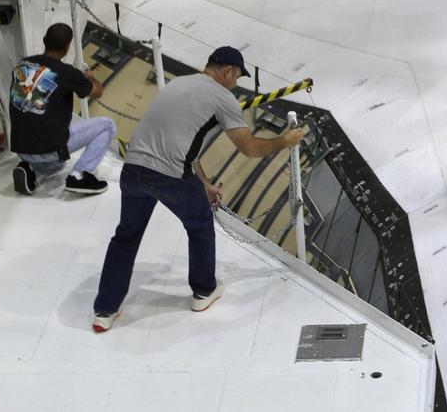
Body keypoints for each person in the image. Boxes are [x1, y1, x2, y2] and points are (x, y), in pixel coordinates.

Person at [91, 46, 307, 332]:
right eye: (237, 77)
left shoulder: (179, 82)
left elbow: (182, 141)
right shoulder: (222, 97)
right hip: (169, 176)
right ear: (228, 71)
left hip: (133, 169)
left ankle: (104, 311)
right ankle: (204, 291)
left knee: (126, 237)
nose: (235, 83)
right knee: (200, 225)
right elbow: (250, 148)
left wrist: (203, 184)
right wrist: (285, 140)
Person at [9, 23, 116, 197]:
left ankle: (29, 168)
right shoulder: (67, 72)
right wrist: (89, 78)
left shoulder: (22, 64)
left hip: (21, 147)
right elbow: (98, 92)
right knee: (107, 126)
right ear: (67, 47)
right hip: (48, 149)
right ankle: (79, 175)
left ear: (44, 41)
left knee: (58, 164)